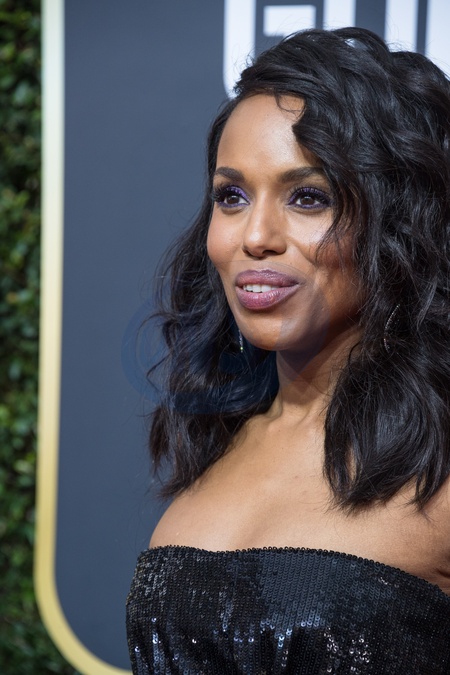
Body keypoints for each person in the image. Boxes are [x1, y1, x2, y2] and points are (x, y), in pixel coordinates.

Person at [126, 27, 450, 673]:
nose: (256, 235)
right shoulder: (217, 440)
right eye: (232, 196)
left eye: (308, 196)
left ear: (397, 222)